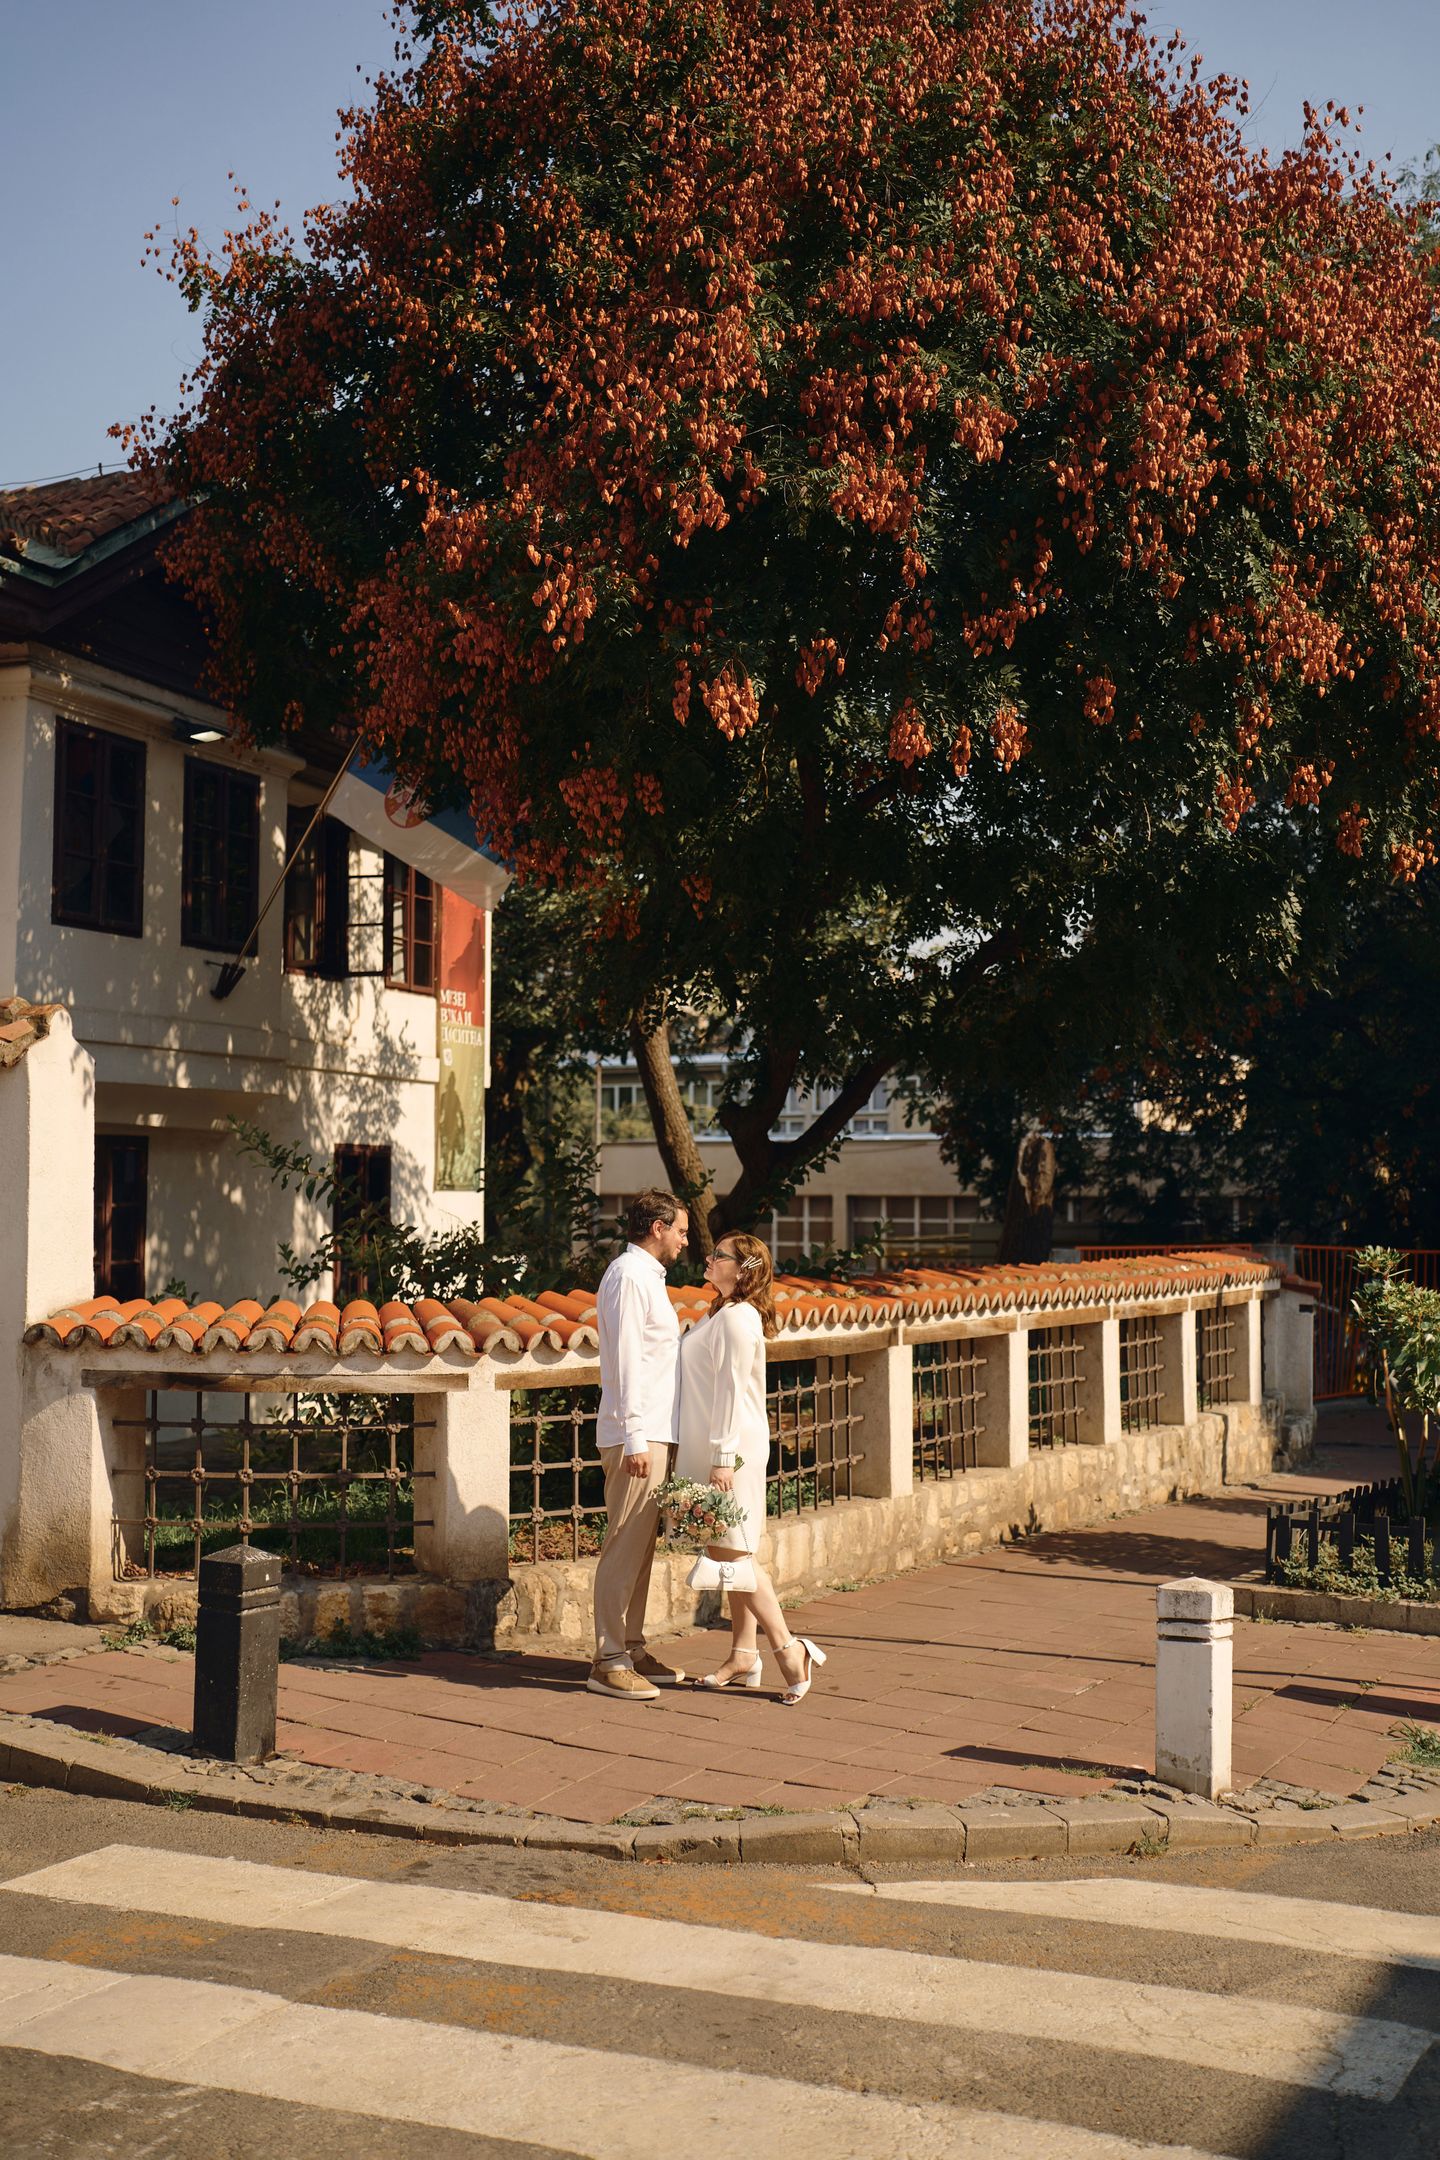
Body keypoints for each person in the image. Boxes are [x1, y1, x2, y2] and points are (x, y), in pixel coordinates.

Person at [675, 1231, 826, 1705]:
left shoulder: (738, 1319)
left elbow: (731, 1391)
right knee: (730, 1551)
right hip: (717, 1446)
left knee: (734, 1556)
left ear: (743, 1270)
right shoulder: (720, 1311)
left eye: (719, 1255)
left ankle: (788, 1649)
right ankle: (743, 1653)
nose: (709, 1257)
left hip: (732, 1450)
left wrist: (722, 1458)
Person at [589, 1188, 691, 1700]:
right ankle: (608, 1659)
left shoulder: (646, 1277)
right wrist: (634, 1436)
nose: (685, 1240)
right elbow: (626, 1361)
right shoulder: (629, 1276)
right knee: (624, 1544)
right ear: (657, 1228)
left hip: (652, 1431)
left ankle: (630, 1646)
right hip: (637, 1433)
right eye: (681, 1231)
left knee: (641, 1547)